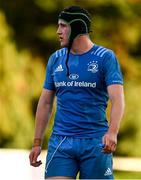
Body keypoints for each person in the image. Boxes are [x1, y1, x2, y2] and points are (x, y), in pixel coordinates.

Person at [29, 6, 125, 179]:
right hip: (61, 142)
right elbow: (45, 103)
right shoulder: (55, 59)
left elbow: (118, 99)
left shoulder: (106, 57)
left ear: (78, 27)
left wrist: (112, 132)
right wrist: (37, 142)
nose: (58, 31)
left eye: (63, 26)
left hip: (96, 143)